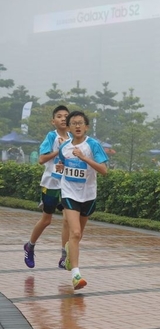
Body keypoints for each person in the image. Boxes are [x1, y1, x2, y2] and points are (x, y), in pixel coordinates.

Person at [58, 110, 108, 291]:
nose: (77, 126)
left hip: (88, 195)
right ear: (69, 128)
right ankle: (76, 275)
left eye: (80, 123)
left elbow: (104, 170)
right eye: (74, 123)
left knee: (78, 236)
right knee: (76, 232)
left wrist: (84, 157)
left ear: (86, 127)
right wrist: (60, 167)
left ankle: (69, 251)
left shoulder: (93, 145)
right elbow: (61, 163)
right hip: (69, 193)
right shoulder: (64, 147)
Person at [23, 105, 70, 269]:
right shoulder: (51, 137)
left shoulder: (73, 138)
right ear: (53, 121)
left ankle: (64, 257)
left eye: (66, 116)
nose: (63, 118)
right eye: (59, 116)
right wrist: (60, 150)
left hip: (67, 185)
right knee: (46, 220)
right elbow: (41, 159)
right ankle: (30, 245)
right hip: (51, 184)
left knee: (67, 220)